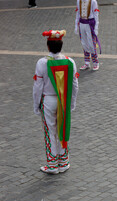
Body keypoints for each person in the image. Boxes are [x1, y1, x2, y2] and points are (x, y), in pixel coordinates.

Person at [33, 30, 79, 174]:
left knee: (50, 131)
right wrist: (72, 103)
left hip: (48, 100)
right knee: (62, 129)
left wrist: (36, 105)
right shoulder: (70, 62)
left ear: (48, 46)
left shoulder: (42, 63)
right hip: (63, 100)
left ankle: (52, 164)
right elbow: (75, 85)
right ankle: (63, 161)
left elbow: (37, 87)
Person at [75, 0, 101, 71]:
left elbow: (96, 15)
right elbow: (78, 14)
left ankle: (96, 63)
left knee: (92, 44)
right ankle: (87, 62)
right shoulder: (78, 1)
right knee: (84, 44)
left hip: (90, 24)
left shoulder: (93, 1)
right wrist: (76, 26)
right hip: (82, 23)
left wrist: (96, 28)